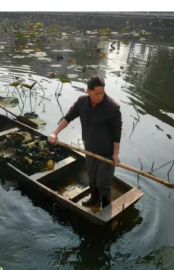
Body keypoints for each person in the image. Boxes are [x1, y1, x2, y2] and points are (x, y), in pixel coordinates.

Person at [48, 76, 122, 209]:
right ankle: (94, 200)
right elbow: (68, 117)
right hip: (89, 149)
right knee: (92, 177)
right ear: (88, 91)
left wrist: (115, 154)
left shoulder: (112, 108)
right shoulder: (82, 102)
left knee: (103, 183)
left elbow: (117, 134)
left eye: (102, 93)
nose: (100, 96)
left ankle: (106, 207)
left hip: (106, 152)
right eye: (96, 93)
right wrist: (55, 133)